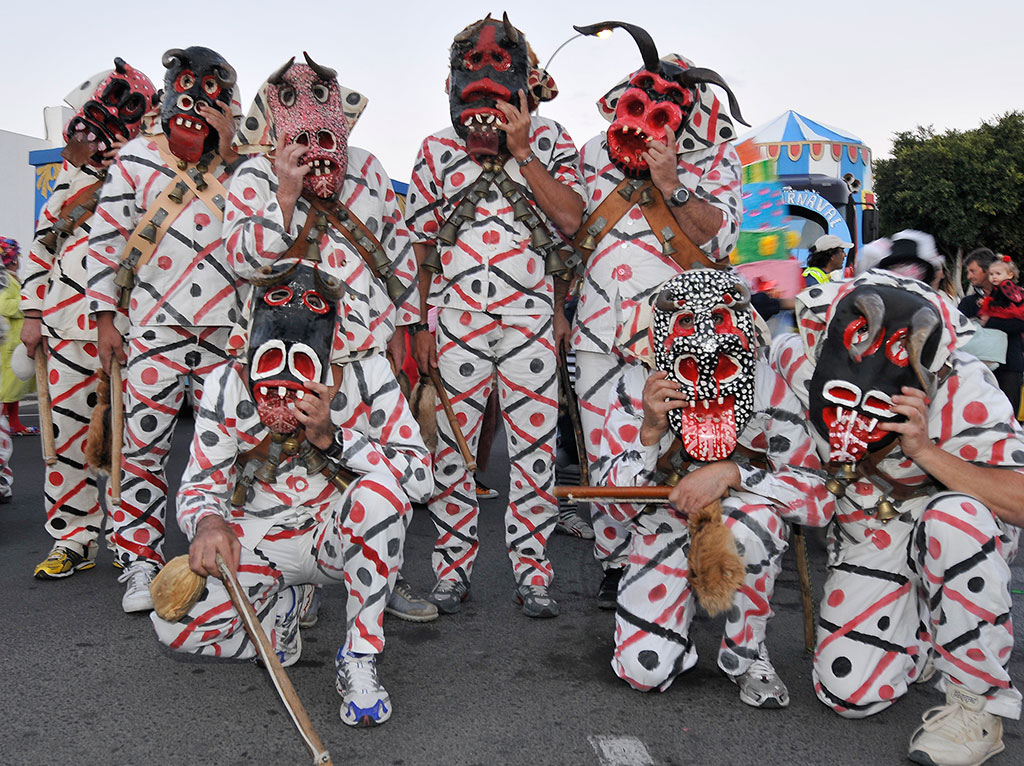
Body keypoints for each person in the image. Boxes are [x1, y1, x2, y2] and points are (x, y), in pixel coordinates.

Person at [151, 260, 431, 727]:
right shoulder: (224, 382)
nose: (281, 394)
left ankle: (359, 656)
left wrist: (334, 438)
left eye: (299, 371)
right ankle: (276, 617)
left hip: (334, 536)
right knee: (173, 627)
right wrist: (209, 522)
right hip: (260, 541)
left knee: (382, 498)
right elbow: (199, 482)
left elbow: (421, 479)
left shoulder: (369, 373)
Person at [771, 268, 1022, 766]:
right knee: (847, 692)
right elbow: (759, 449)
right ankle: (923, 633)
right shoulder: (795, 363)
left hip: (951, 528)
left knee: (956, 518)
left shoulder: (965, 386)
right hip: (869, 532)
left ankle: (977, 704)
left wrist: (927, 452)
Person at [222, 53, 434, 622]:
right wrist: (285, 193)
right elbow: (243, 260)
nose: (317, 147)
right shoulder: (251, 175)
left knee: (380, 468)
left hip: (365, 356)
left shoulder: (367, 169)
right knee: (295, 468)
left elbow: (395, 256)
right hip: (286, 359)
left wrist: (404, 327)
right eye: (303, 136)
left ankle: (382, 579)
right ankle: (300, 577)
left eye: (326, 134)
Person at [405, 13, 584, 618]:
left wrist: (524, 152)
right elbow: (421, 248)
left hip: (531, 318)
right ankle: (452, 570)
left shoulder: (554, 142)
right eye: (470, 67)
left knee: (533, 455)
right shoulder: (435, 150)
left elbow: (571, 223)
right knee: (453, 453)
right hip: (456, 320)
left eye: (499, 65)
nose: (483, 78)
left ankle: (533, 573)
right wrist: (421, 324)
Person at [568, 22, 745, 609]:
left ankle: (676, 561)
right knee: (606, 450)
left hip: (682, 336)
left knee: (676, 449)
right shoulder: (596, 151)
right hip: (597, 327)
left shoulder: (717, 158)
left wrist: (671, 183)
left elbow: (717, 243)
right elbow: (572, 231)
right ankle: (615, 562)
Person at [596, 269, 831, 706]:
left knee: (755, 524)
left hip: (740, 510)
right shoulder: (634, 384)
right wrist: (649, 433)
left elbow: (817, 500)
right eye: (685, 324)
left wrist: (733, 476)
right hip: (663, 519)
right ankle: (671, 630)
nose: (707, 367)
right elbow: (613, 509)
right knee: (644, 670)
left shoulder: (767, 382)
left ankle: (747, 651)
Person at [86, 47, 244, 612]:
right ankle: (137, 561)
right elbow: (105, 242)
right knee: (142, 450)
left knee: (229, 453)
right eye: (184, 83)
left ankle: (234, 561)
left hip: (231, 335)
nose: (194, 97)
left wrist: (232, 153)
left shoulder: (246, 165)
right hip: (154, 328)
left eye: (209, 88)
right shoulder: (134, 160)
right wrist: (105, 317)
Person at [21, 60, 157, 578]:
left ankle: (131, 544)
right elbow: (40, 251)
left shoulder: (146, 179)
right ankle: (73, 538)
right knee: (65, 441)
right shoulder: (66, 186)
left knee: (129, 442)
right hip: (61, 328)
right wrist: (33, 314)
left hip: (124, 331)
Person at [958, 247, 1024, 414]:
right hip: (974, 369)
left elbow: (1020, 323)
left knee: (1008, 419)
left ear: (987, 271)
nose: (969, 276)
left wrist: (990, 321)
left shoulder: (1015, 297)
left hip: (1010, 367)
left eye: (973, 271)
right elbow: (958, 328)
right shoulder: (968, 303)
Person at [0, 239, 34, 434]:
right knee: (8, 389)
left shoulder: (10, 279)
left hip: (14, 342)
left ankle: (13, 424)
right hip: (8, 345)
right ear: (13, 260)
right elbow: (4, 306)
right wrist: (27, 304)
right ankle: (9, 425)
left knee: (13, 389)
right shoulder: (5, 281)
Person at [980, 255, 1024, 321]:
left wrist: (988, 303)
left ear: (1010, 275)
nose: (994, 277)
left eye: (998, 274)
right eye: (991, 274)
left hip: (1011, 312)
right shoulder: (997, 287)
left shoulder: (1005, 286)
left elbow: (1004, 304)